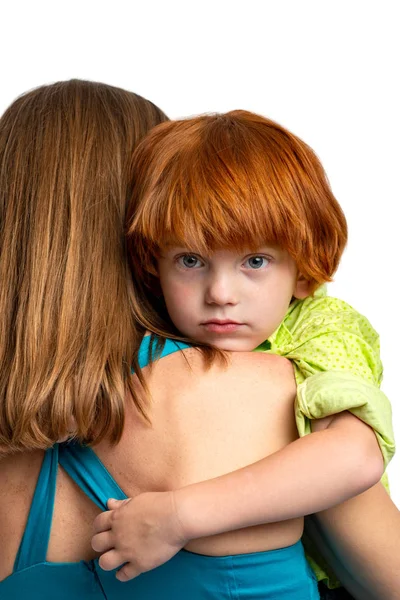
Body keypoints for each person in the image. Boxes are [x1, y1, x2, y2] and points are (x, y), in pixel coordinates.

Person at [0, 85, 397, 599]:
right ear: (146, 235)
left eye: (253, 260)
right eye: (191, 257)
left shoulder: (311, 341)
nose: (221, 294)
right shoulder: (264, 387)